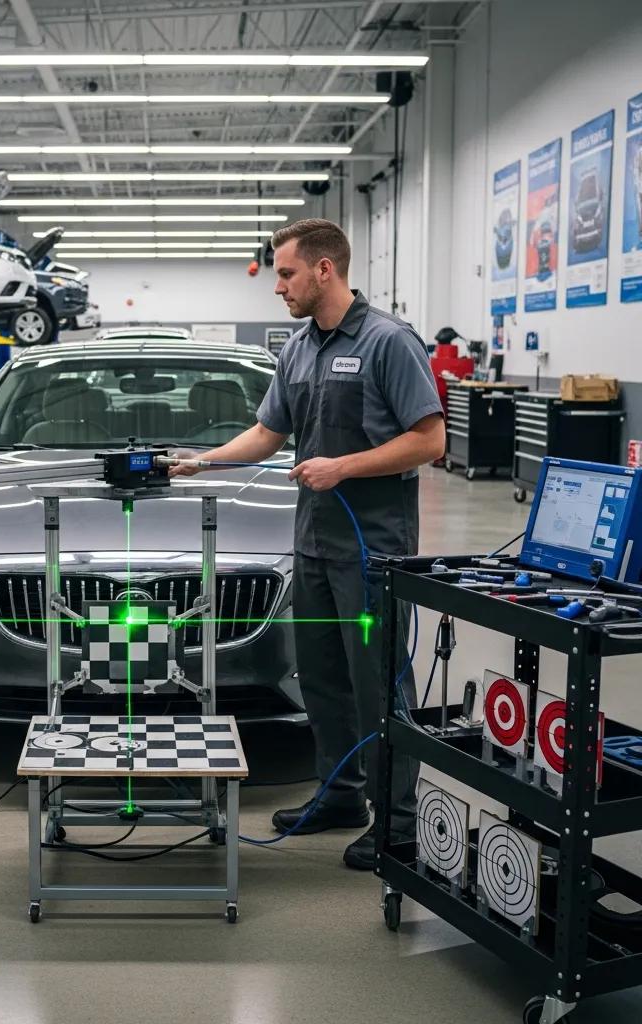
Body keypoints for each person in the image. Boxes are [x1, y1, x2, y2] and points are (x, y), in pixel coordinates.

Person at [171, 218, 444, 869]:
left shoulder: (389, 342)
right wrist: (202, 461)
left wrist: (342, 466)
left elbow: (430, 440)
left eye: (286, 273)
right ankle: (342, 795)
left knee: (378, 685)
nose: (278, 287)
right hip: (313, 548)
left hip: (373, 554)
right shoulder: (297, 347)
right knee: (321, 680)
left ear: (326, 269)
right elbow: (269, 432)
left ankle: (400, 824)